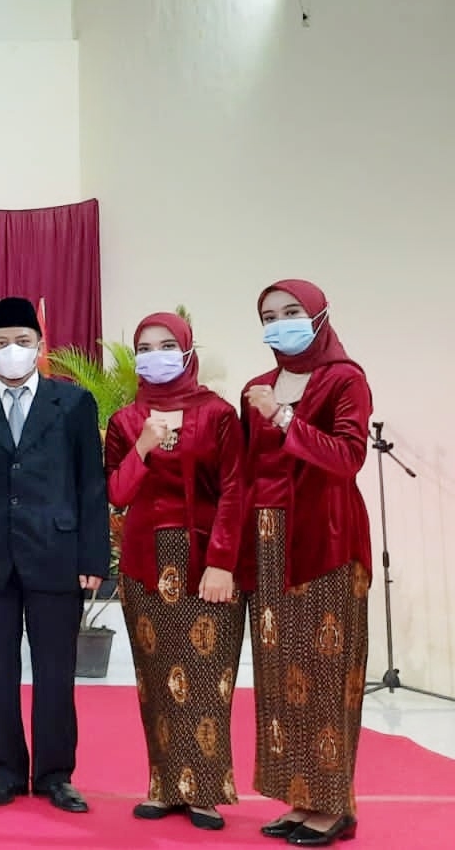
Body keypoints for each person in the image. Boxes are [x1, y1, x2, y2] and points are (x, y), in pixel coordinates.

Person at [0, 296, 108, 813]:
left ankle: (55, 774)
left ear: (40, 345)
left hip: (56, 552)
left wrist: (94, 558)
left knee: (56, 671)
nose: (13, 349)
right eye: (2, 342)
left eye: (23, 341)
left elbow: (91, 484)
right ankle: (4, 772)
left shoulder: (73, 404)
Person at [241, 280, 371, 846]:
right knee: (280, 677)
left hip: (325, 540)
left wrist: (285, 419)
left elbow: (348, 458)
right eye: (270, 316)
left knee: (326, 675)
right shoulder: (257, 386)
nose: (280, 323)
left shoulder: (345, 380)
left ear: (319, 315)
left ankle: (334, 805)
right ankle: (299, 796)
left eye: (291, 312)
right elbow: (247, 471)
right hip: (268, 541)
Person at [104, 312, 246, 831]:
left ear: (187, 351)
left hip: (207, 559)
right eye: (144, 348)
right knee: (156, 677)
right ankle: (164, 786)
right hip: (144, 562)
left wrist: (222, 562)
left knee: (208, 676)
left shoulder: (218, 414)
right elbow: (117, 493)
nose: (154, 356)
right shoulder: (125, 421)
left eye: (166, 346)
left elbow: (235, 490)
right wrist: (142, 445)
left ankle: (205, 790)